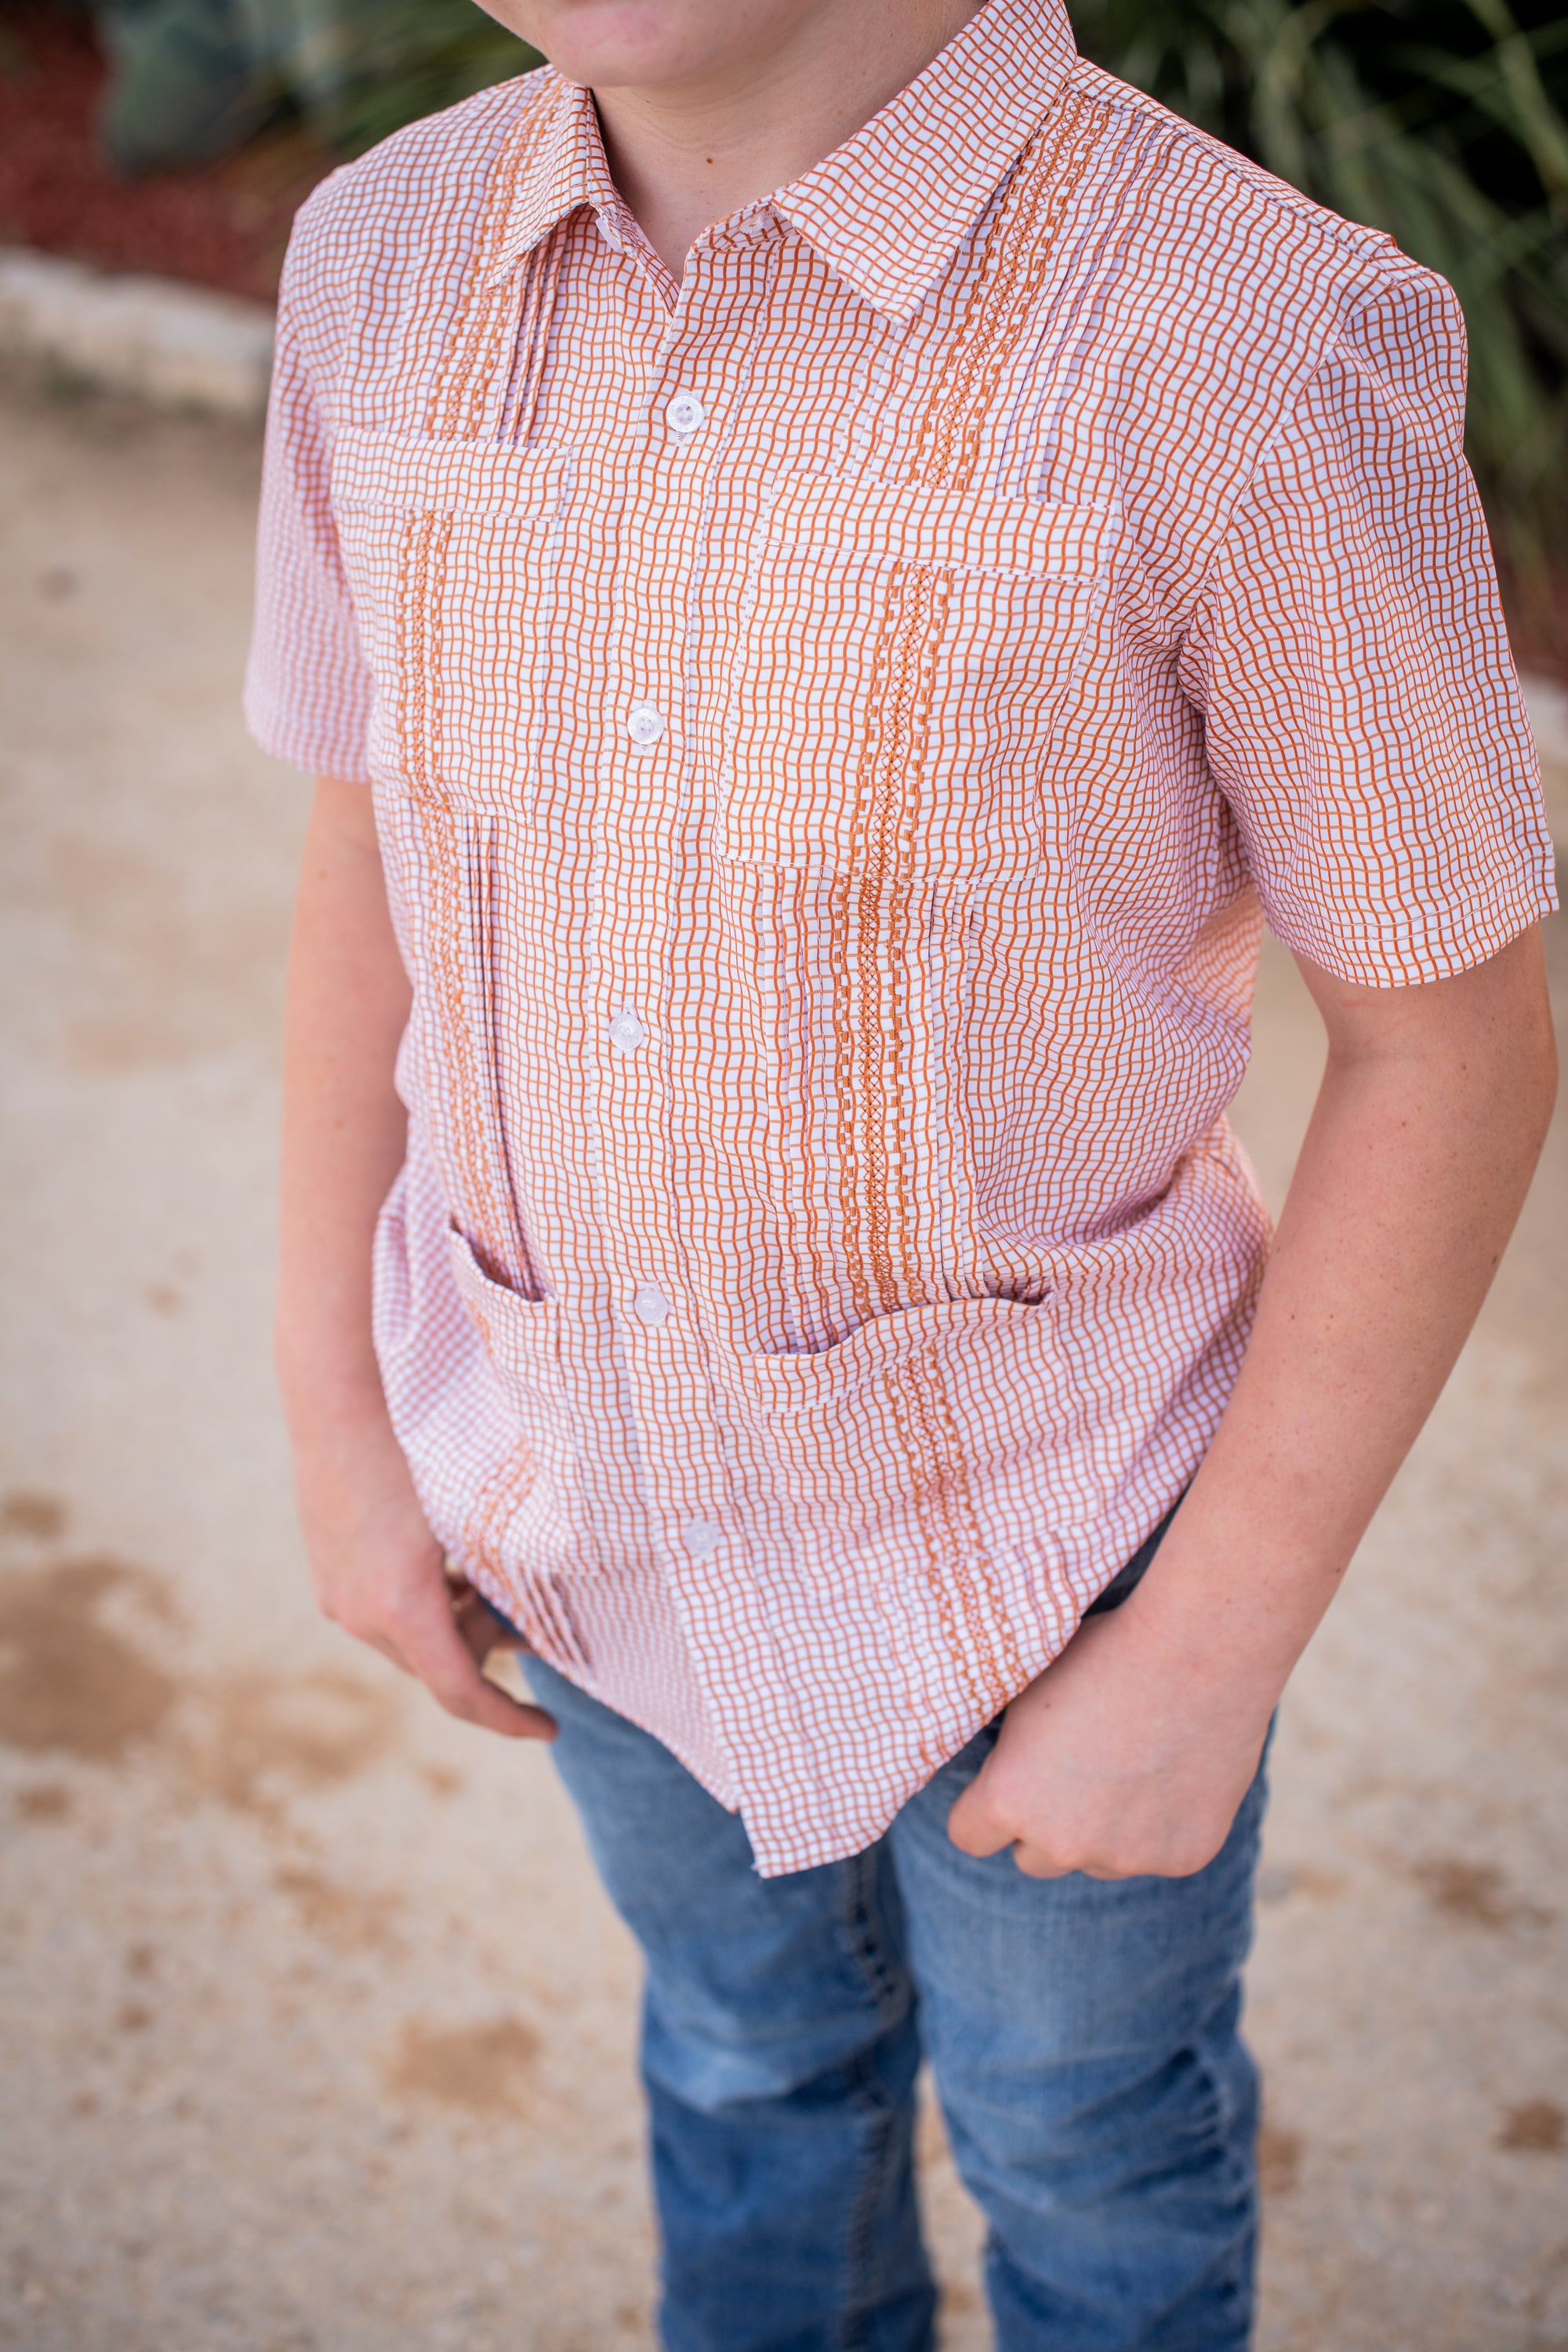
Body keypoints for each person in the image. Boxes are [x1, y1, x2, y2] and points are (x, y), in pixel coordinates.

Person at [246, 1, 1558, 2342]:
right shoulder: (380, 263)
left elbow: (1449, 1035)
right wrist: (345, 1423)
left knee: (1086, 2146)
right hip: (593, 1506)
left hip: (1051, 1554)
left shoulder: (1236, 336)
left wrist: (1210, 1651)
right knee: (745, 2069)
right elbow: (380, 845)